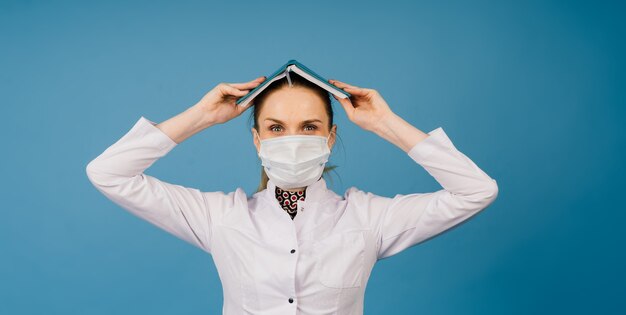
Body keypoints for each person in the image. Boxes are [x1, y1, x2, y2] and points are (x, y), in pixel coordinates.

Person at [85, 71, 498, 314]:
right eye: (276, 128)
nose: (293, 139)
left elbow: (475, 191)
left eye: (310, 127)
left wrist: (385, 123)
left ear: (331, 138)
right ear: (257, 140)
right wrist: (201, 117)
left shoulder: (369, 218)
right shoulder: (221, 217)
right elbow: (109, 173)